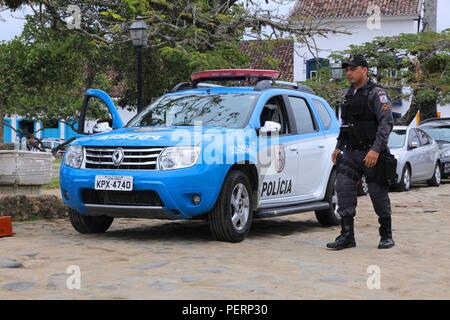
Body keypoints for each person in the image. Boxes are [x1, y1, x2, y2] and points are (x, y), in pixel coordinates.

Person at [327, 55, 395, 250]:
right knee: (344, 189)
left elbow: (386, 123)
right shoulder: (349, 94)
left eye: (352, 69)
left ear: (364, 70)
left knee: (377, 193)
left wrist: (375, 150)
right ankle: (347, 235)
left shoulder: (377, 94)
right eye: (347, 69)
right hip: (351, 152)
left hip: (372, 153)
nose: (348, 73)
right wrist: (339, 145)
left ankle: (386, 235)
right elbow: (346, 124)